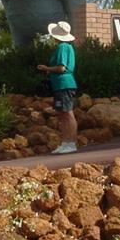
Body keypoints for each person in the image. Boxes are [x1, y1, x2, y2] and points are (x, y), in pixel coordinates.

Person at [37, 21, 78, 154]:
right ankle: (66, 142)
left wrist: (47, 68)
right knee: (63, 113)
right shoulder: (67, 47)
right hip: (62, 84)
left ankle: (70, 143)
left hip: (63, 84)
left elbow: (61, 67)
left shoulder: (62, 47)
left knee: (67, 113)